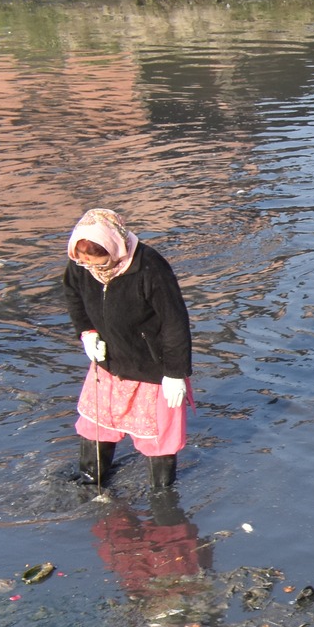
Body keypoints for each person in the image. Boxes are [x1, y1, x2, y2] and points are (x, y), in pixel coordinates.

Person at [63, 208, 193, 492]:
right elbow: (73, 293)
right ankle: (91, 481)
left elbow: (174, 320)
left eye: (99, 262)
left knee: (158, 435)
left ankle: (162, 494)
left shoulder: (150, 267)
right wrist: (87, 332)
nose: (90, 268)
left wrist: (175, 373)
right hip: (109, 361)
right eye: (83, 262)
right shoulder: (81, 264)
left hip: (152, 367)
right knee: (97, 425)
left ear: (113, 248)